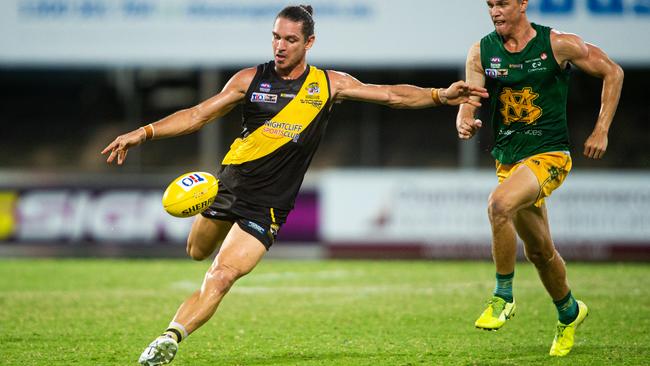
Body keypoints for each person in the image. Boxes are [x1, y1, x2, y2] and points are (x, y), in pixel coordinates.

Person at [102, 5, 487, 365]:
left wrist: (439, 96)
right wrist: (143, 132)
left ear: (309, 43)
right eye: (275, 37)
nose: (279, 46)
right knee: (196, 251)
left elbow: (390, 95)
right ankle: (184, 299)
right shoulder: (250, 79)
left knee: (221, 276)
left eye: (289, 40)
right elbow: (197, 115)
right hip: (228, 186)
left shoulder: (327, 84)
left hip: (267, 206)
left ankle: (170, 338)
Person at [456, 0, 623, 357]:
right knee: (539, 251)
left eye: (502, 3)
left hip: (549, 154)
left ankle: (503, 296)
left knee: (499, 204)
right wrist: (465, 118)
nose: (495, 11)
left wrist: (601, 129)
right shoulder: (481, 51)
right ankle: (569, 311)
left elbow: (614, 72)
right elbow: (470, 99)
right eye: (490, 5)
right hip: (508, 160)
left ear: (522, 4)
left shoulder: (557, 44)